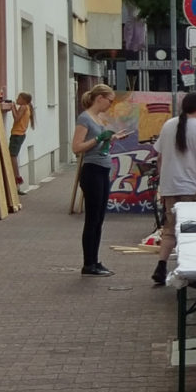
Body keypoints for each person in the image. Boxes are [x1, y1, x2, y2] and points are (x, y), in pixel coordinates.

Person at [151, 92, 196, 286]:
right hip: (194, 188)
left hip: (170, 186)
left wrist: (163, 182)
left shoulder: (168, 125)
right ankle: (194, 270)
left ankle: (161, 266)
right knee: (194, 230)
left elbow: (160, 158)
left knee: (170, 229)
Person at [70, 84, 127, 277]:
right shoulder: (84, 118)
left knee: (99, 219)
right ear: (99, 98)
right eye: (109, 100)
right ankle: (88, 264)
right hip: (92, 170)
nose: (110, 105)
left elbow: (99, 143)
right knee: (92, 219)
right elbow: (77, 147)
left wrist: (111, 138)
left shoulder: (98, 118)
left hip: (102, 169)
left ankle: (95, 260)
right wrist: (98, 139)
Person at [8, 92, 34, 186]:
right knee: (13, 155)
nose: (17, 99)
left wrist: (12, 107)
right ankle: (16, 175)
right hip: (20, 134)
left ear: (23, 100)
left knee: (12, 155)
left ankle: (17, 176)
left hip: (17, 134)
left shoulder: (23, 107)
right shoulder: (27, 107)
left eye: (19, 98)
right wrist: (14, 107)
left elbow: (16, 118)